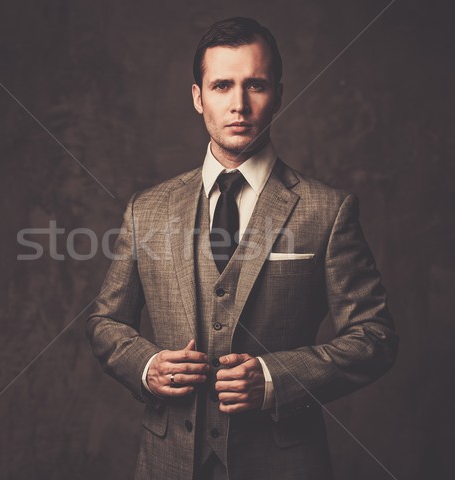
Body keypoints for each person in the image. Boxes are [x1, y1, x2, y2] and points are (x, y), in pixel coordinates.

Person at [86, 16, 398, 480]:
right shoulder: (146, 210)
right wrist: (147, 365)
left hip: (285, 464)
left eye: (255, 85)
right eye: (222, 86)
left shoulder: (327, 210)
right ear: (198, 97)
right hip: (167, 464)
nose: (239, 105)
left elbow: (375, 337)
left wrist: (276, 380)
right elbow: (105, 322)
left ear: (278, 93)